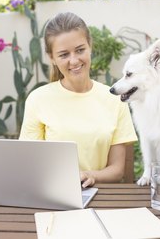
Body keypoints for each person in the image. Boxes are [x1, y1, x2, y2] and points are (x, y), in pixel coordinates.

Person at [19, 12, 137, 188]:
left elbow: (117, 169)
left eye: (80, 50)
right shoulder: (38, 99)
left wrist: (90, 175)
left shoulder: (114, 99)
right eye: (64, 54)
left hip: (101, 197)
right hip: (52, 194)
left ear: (90, 46)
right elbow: (29, 164)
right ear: (51, 58)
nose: (74, 60)